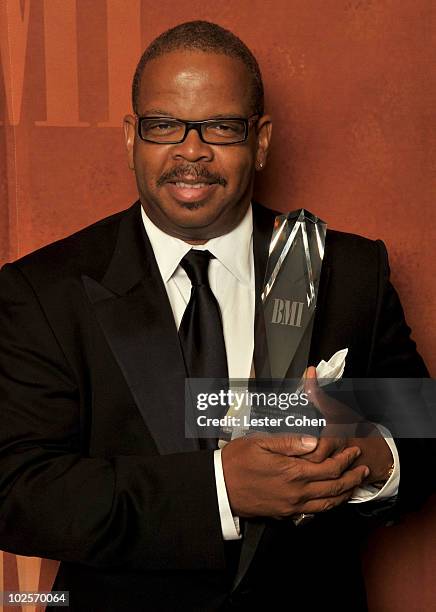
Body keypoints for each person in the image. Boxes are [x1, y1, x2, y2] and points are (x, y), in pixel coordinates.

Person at [0, 20, 432, 612]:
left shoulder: (347, 270)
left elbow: (422, 436)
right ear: (131, 137)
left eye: (222, 127)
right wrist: (221, 488)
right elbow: (16, 490)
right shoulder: (41, 291)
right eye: (163, 126)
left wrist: (361, 454)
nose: (191, 150)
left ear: (260, 140)